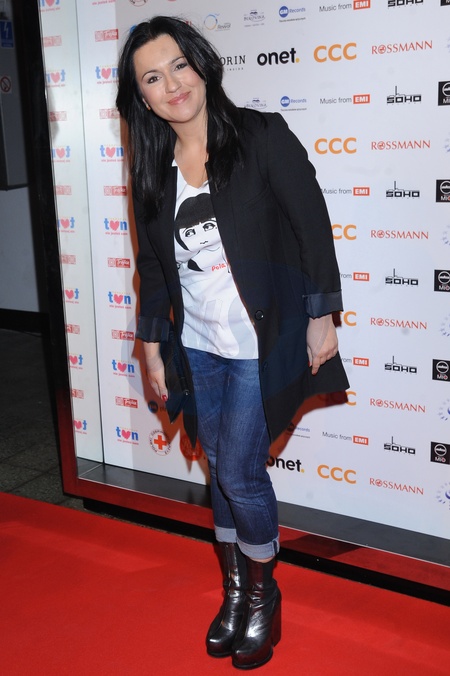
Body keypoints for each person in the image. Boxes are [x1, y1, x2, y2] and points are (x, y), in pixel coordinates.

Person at [116, 16, 349, 670]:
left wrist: (321, 315)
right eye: (152, 78)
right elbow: (154, 266)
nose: (172, 85)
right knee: (219, 465)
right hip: (197, 344)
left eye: (178, 66)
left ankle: (264, 594)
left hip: (258, 341)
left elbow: (312, 227)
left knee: (241, 471)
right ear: (143, 99)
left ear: (201, 63)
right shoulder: (153, 170)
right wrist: (152, 345)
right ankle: (237, 590)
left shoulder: (260, 136)